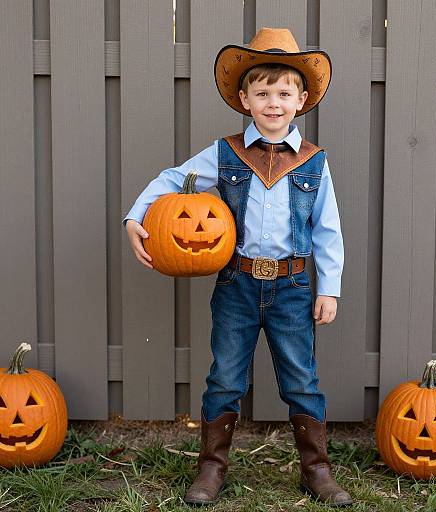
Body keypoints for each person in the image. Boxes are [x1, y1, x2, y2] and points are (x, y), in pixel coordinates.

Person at [124, 27, 351, 507]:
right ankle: (211, 468)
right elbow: (171, 179)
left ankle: (317, 470)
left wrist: (327, 288)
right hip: (237, 283)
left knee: (301, 379)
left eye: (284, 92)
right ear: (244, 99)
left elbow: (328, 228)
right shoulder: (226, 153)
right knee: (226, 375)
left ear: (302, 98)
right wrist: (135, 217)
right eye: (262, 92)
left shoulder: (314, 162)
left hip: (292, 285)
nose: (273, 102)